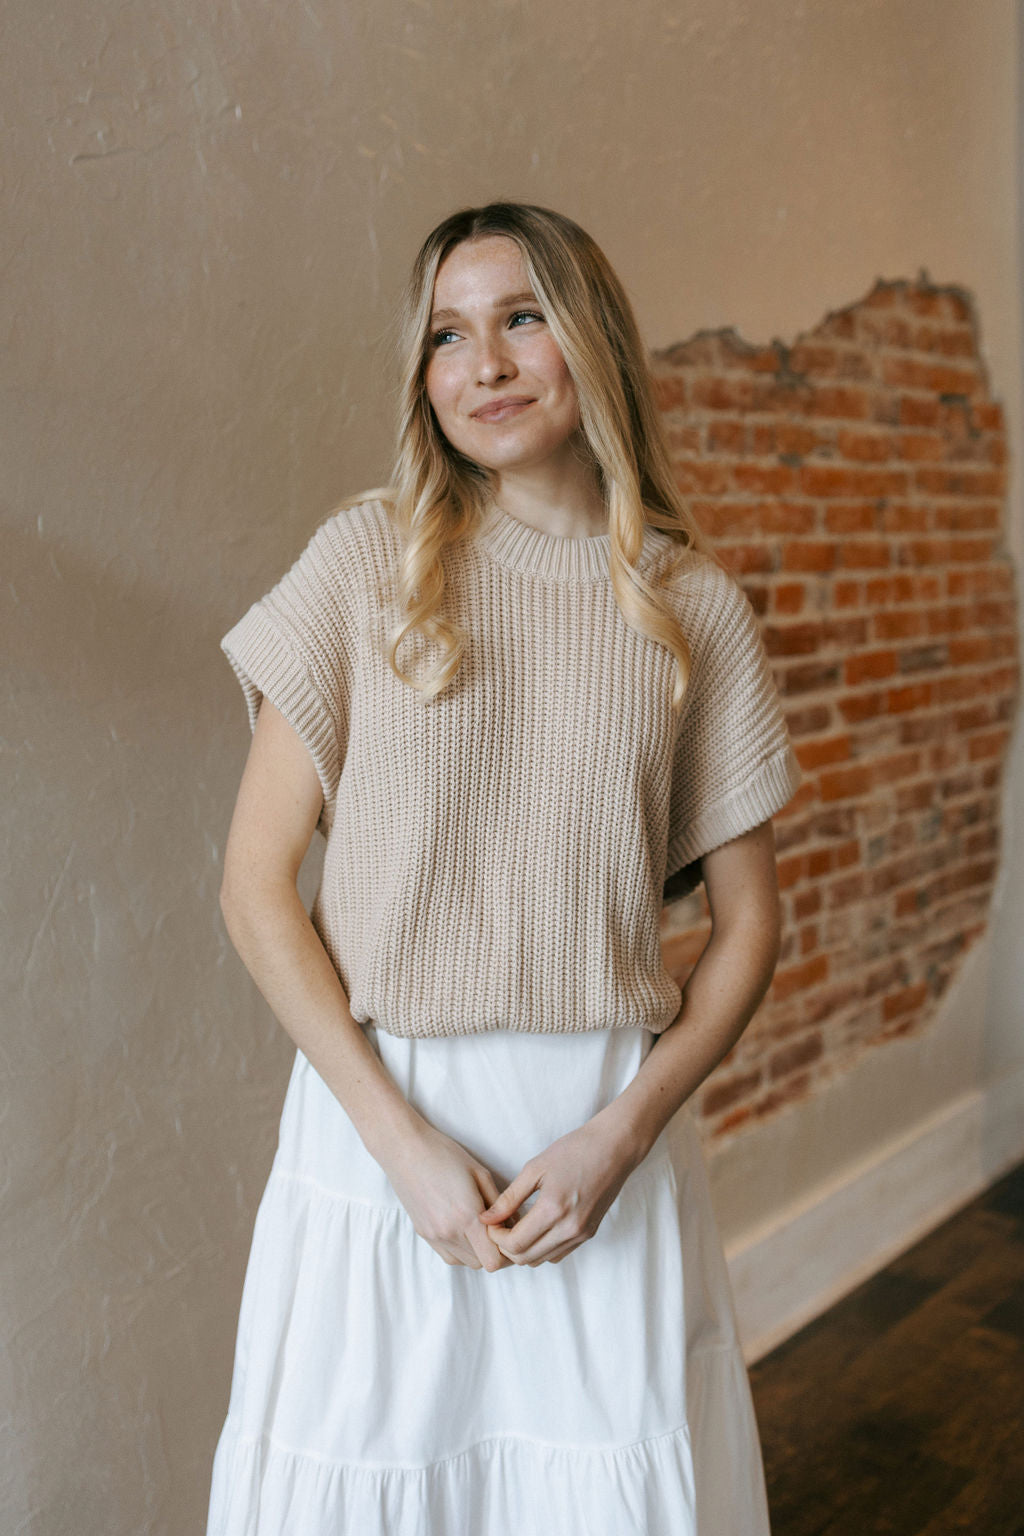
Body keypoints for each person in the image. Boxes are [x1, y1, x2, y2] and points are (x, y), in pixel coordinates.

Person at [205, 200, 801, 1536]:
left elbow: (752, 925)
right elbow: (254, 887)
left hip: (596, 1139)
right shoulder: (364, 564)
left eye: (523, 318)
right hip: (384, 1125)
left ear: (593, 339)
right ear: (422, 375)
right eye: (447, 335)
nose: (485, 363)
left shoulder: (690, 607)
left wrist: (622, 1138)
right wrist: (400, 1146)